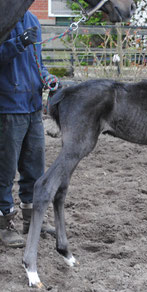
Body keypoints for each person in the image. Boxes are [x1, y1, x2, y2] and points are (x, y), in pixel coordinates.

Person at [0, 11, 56, 248]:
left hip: (33, 107)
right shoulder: (3, 17)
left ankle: (32, 220)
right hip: (8, 108)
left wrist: (46, 77)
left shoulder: (32, 19)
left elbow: (37, 62)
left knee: (34, 169)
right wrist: (19, 42)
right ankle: (3, 225)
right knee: (4, 170)